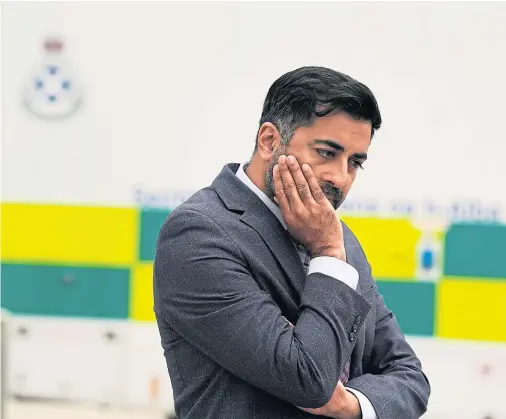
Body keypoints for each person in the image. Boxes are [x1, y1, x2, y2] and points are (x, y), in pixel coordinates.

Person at [153, 66, 430, 419]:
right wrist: (328, 254)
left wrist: (352, 405)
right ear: (269, 141)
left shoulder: (341, 239)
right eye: (327, 153)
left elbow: (410, 376)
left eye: (355, 162)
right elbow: (307, 380)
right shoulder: (199, 234)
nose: (340, 177)